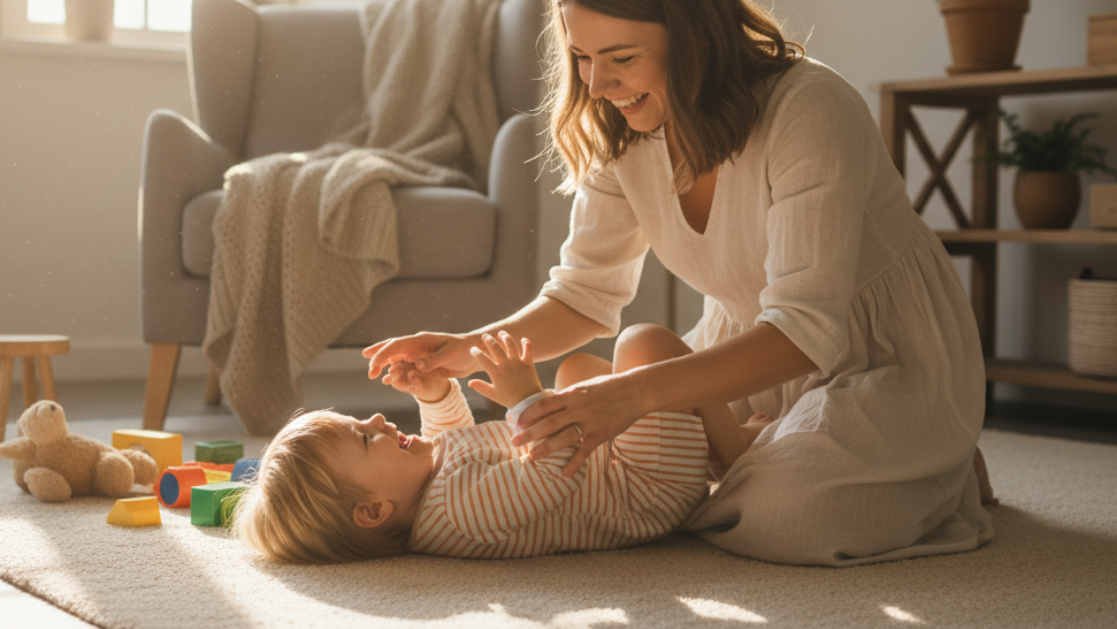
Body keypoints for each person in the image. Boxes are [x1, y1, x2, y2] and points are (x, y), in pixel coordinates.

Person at [364, 0, 997, 566]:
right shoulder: (622, 133)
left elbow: (807, 330)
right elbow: (583, 297)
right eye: (581, 57)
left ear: (697, 38)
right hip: (746, 355)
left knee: (792, 521)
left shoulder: (809, 108)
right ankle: (833, 461)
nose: (597, 83)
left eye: (621, 57)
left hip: (872, 350)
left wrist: (632, 397)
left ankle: (932, 460)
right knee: (653, 461)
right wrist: (464, 348)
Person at [231, 328, 773, 563]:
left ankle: (697, 430)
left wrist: (438, 392)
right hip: (646, 488)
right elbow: (551, 471)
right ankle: (732, 449)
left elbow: (454, 442)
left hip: (607, 459)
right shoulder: (456, 516)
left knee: (581, 370)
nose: (375, 418)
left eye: (361, 420)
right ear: (373, 510)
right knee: (644, 345)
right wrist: (527, 397)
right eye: (366, 438)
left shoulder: (425, 488)